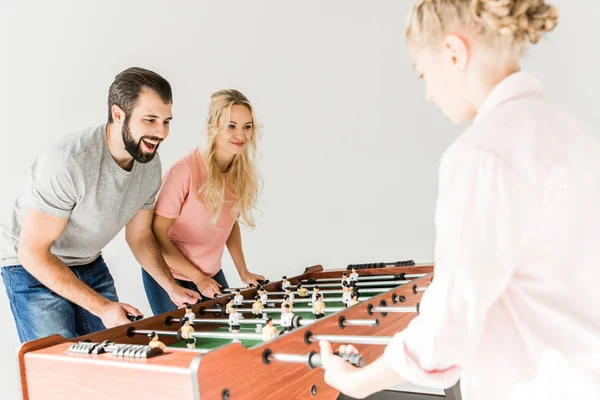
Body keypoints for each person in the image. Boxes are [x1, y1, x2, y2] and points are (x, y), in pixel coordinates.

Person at [319, 1, 600, 399]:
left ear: (453, 53)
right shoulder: (575, 135)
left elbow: (451, 319)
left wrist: (356, 382)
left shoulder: (481, 154)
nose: (429, 94)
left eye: (423, 74)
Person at [0, 67, 199, 343]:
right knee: (59, 368)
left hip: (87, 262)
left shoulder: (149, 165)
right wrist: (103, 307)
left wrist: (171, 287)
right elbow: (33, 253)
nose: (161, 132)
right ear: (118, 115)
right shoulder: (69, 162)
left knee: (116, 351)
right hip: (31, 266)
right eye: (150, 120)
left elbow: (140, 236)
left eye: (166, 121)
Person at [142, 89, 265, 315]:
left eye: (247, 126)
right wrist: (197, 278)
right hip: (172, 275)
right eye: (231, 126)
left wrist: (243, 271)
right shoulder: (184, 171)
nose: (241, 134)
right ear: (213, 127)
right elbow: (156, 235)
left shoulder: (239, 173)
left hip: (209, 274)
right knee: (182, 345)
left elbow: (229, 223)